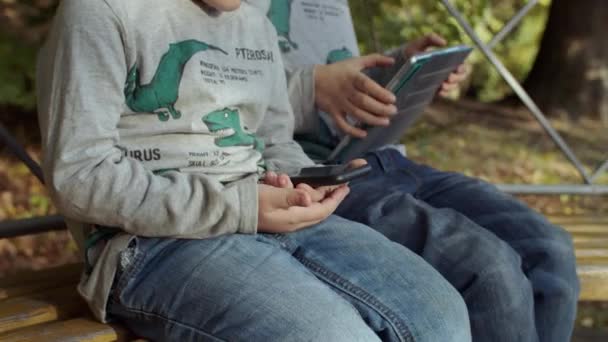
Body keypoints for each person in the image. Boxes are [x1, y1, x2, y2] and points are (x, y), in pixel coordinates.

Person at [36, 0, 472, 341]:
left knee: (440, 310)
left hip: (262, 213)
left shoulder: (255, 25)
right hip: (152, 245)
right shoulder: (101, 11)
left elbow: (276, 142)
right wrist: (242, 207)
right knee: (333, 335)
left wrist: (303, 182)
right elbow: (79, 176)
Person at [250, 0, 580, 341]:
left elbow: (334, 74)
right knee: (488, 268)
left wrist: (401, 72)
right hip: (316, 175)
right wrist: (310, 88)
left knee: (550, 250)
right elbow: (213, 100)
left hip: (383, 155)